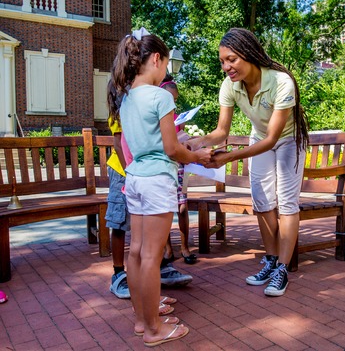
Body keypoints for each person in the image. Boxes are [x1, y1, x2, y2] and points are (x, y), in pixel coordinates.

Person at [109, 27, 212, 346]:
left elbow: (142, 143)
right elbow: (171, 149)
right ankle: (155, 330)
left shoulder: (126, 99)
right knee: (152, 257)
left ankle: (143, 321)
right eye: (166, 63)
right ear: (156, 59)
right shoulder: (160, 97)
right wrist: (198, 155)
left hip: (136, 178)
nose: (166, 70)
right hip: (157, 180)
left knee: (137, 253)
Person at [188, 28, 309, 297]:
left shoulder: (281, 82)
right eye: (222, 61)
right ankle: (271, 260)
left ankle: (283, 269)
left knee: (286, 202)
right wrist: (197, 144)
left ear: (249, 53)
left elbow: (272, 138)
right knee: (263, 201)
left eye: (231, 59)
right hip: (260, 139)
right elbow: (221, 132)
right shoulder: (230, 86)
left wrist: (227, 157)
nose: (226, 67)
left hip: (288, 140)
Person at [106, 81, 189, 315]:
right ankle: (119, 276)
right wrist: (129, 172)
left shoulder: (137, 99)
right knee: (122, 227)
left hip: (136, 172)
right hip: (129, 171)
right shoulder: (128, 101)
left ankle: (147, 303)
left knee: (142, 248)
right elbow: (121, 143)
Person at [159, 75, 198, 265]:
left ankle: (184, 247)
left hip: (179, 166)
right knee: (166, 208)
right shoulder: (158, 117)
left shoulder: (178, 119)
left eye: (175, 101)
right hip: (163, 166)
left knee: (182, 207)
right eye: (170, 100)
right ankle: (167, 249)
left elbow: (180, 139)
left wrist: (186, 141)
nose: (173, 104)